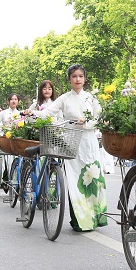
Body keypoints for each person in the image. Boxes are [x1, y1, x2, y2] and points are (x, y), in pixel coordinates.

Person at [23, 64, 108, 232]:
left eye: (80, 76)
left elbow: (100, 117)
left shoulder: (91, 98)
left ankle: (95, 217)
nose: (77, 79)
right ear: (69, 79)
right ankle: (79, 220)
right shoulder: (64, 98)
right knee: (76, 181)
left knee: (94, 179)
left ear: (84, 79)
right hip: (71, 142)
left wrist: (87, 122)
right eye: (74, 76)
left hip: (89, 141)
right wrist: (32, 113)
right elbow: (48, 112)